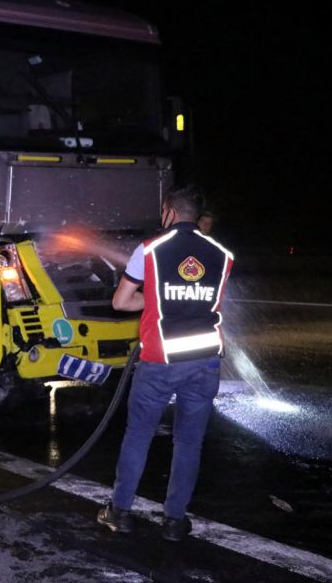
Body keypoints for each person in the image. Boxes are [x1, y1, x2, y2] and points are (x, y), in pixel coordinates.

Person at [97, 185, 234, 541]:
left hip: (160, 361)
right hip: (205, 359)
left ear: (169, 212)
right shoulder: (222, 254)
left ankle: (120, 512)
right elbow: (204, 302)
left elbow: (121, 302)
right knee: (189, 442)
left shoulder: (150, 250)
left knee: (139, 436)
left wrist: (154, 301)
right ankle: (175, 521)